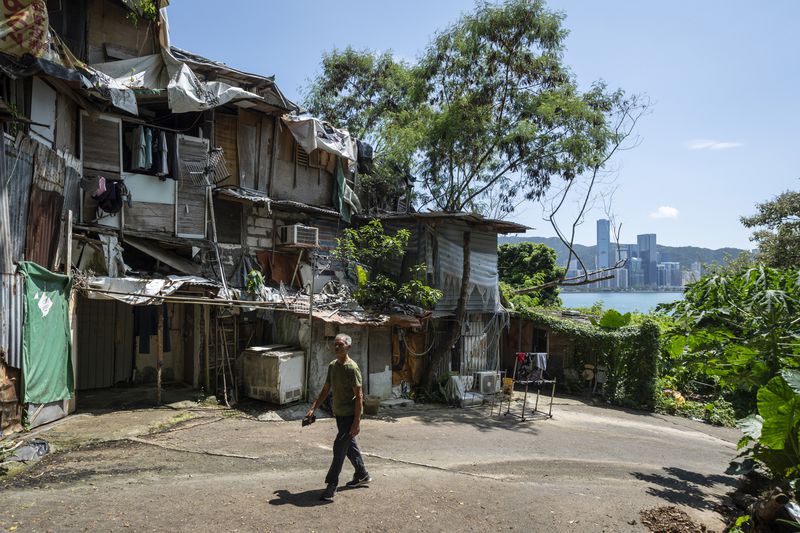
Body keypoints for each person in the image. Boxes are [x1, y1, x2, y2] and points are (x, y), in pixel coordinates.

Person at [306, 333, 371, 502]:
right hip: (339, 415)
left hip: (350, 416)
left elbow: (359, 396)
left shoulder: (352, 368)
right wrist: (313, 408)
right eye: (335, 345)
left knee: (339, 449)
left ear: (348, 347)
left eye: (340, 345)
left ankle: (331, 485)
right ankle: (362, 474)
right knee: (349, 447)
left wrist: (357, 422)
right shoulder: (333, 366)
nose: (336, 348)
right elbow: (326, 389)